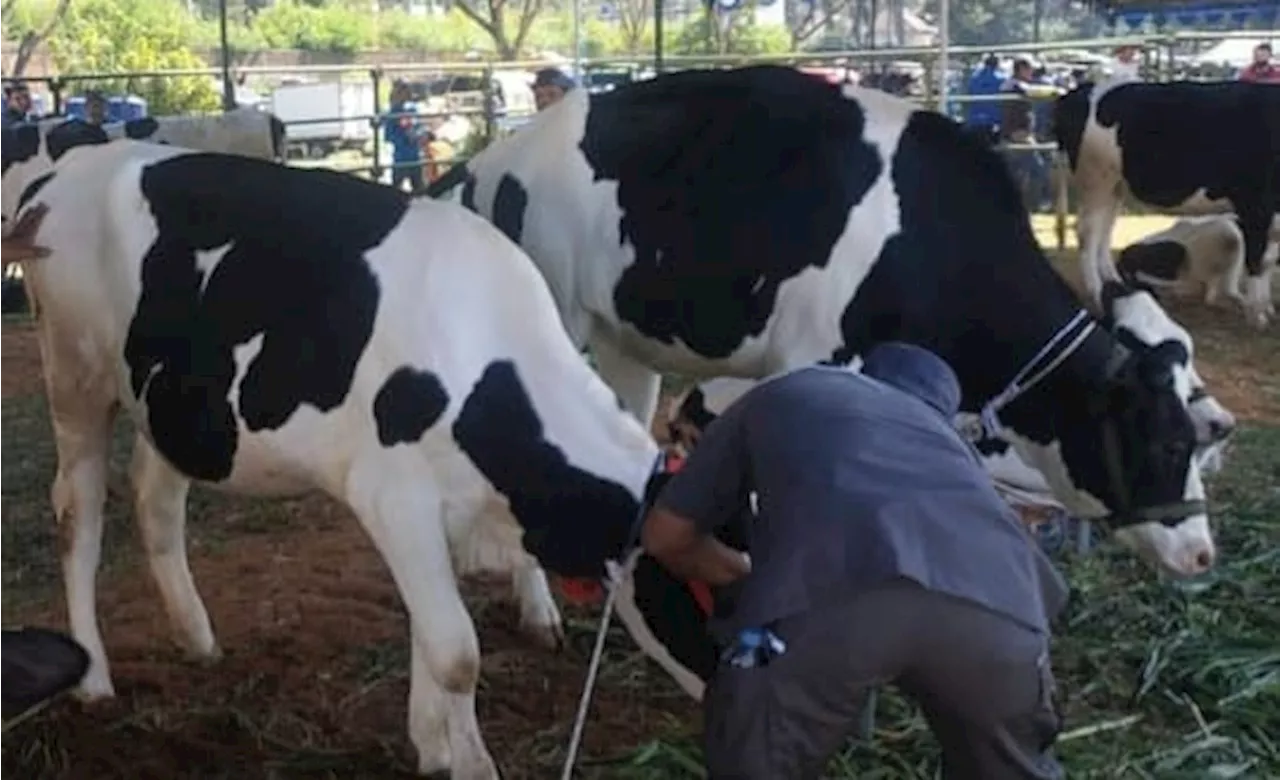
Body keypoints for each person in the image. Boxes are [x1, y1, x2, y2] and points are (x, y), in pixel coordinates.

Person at [641, 341, 1069, 780]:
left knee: (757, 757)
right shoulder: (957, 455)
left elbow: (665, 536)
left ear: (862, 375)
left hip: (834, 594)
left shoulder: (794, 390)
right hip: (1005, 612)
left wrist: (756, 581)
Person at [383, 79, 424, 194]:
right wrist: (405, 138)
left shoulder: (412, 109)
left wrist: (417, 135)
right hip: (400, 157)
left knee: (419, 189)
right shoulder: (391, 113)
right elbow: (389, 136)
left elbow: (419, 127)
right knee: (396, 189)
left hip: (414, 156)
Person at [965, 55, 1006, 144]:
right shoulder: (1001, 79)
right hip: (993, 121)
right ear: (997, 64)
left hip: (974, 119)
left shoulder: (974, 78)